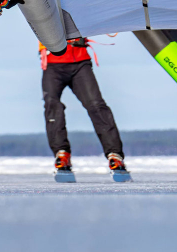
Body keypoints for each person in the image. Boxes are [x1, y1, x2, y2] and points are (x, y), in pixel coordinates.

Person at [40, 37, 129, 180]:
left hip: (80, 62)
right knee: (52, 104)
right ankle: (62, 154)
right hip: (52, 63)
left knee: (96, 105)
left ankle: (115, 155)